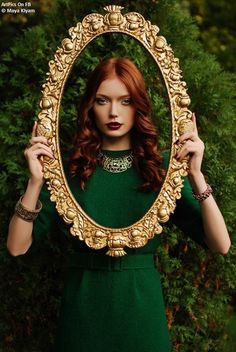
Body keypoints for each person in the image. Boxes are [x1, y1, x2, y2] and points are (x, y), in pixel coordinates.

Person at [7, 57, 231, 352]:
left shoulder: (161, 169)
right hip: (83, 313)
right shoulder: (68, 170)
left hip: (142, 313)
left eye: (125, 101)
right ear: (91, 106)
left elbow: (221, 245)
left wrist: (197, 176)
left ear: (138, 105)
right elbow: (16, 246)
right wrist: (35, 181)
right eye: (103, 100)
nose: (114, 112)